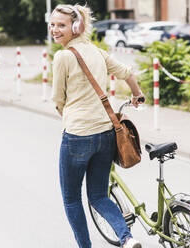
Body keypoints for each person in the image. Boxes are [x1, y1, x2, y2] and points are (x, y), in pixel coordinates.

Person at [50, 4, 144, 248]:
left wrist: (69, 115)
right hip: (105, 134)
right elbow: (127, 73)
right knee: (99, 196)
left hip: (77, 137)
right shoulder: (97, 52)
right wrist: (137, 95)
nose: (54, 29)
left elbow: (58, 100)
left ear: (75, 27)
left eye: (61, 25)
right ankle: (127, 238)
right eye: (52, 24)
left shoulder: (62, 57)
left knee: (72, 199)